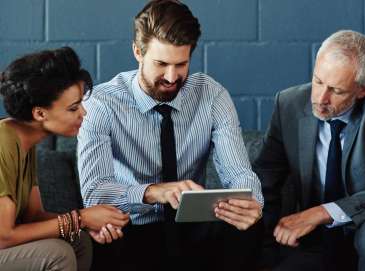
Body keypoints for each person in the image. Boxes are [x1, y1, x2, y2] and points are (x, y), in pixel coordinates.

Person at [77, 0, 263, 270]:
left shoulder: (211, 95)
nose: (172, 77)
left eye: (181, 64)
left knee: (252, 226)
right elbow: (95, 194)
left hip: (191, 226)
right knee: (105, 238)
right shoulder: (101, 103)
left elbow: (239, 173)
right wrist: (154, 193)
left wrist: (252, 204)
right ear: (138, 52)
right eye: (161, 63)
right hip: (132, 227)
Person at [253, 30, 365, 271]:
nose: (321, 98)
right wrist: (265, 242)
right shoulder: (289, 104)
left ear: (364, 89)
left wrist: (322, 212)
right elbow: (265, 180)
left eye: (337, 90)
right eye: (318, 81)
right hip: (313, 239)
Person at [0, 47, 130, 271]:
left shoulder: (24, 143)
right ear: (40, 113)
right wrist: (81, 218)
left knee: (78, 240)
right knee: (56, 254)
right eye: (73, 108)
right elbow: (4, 237)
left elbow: (33, 216)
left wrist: (85, 225)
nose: (84, 114)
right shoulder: (3, 143)